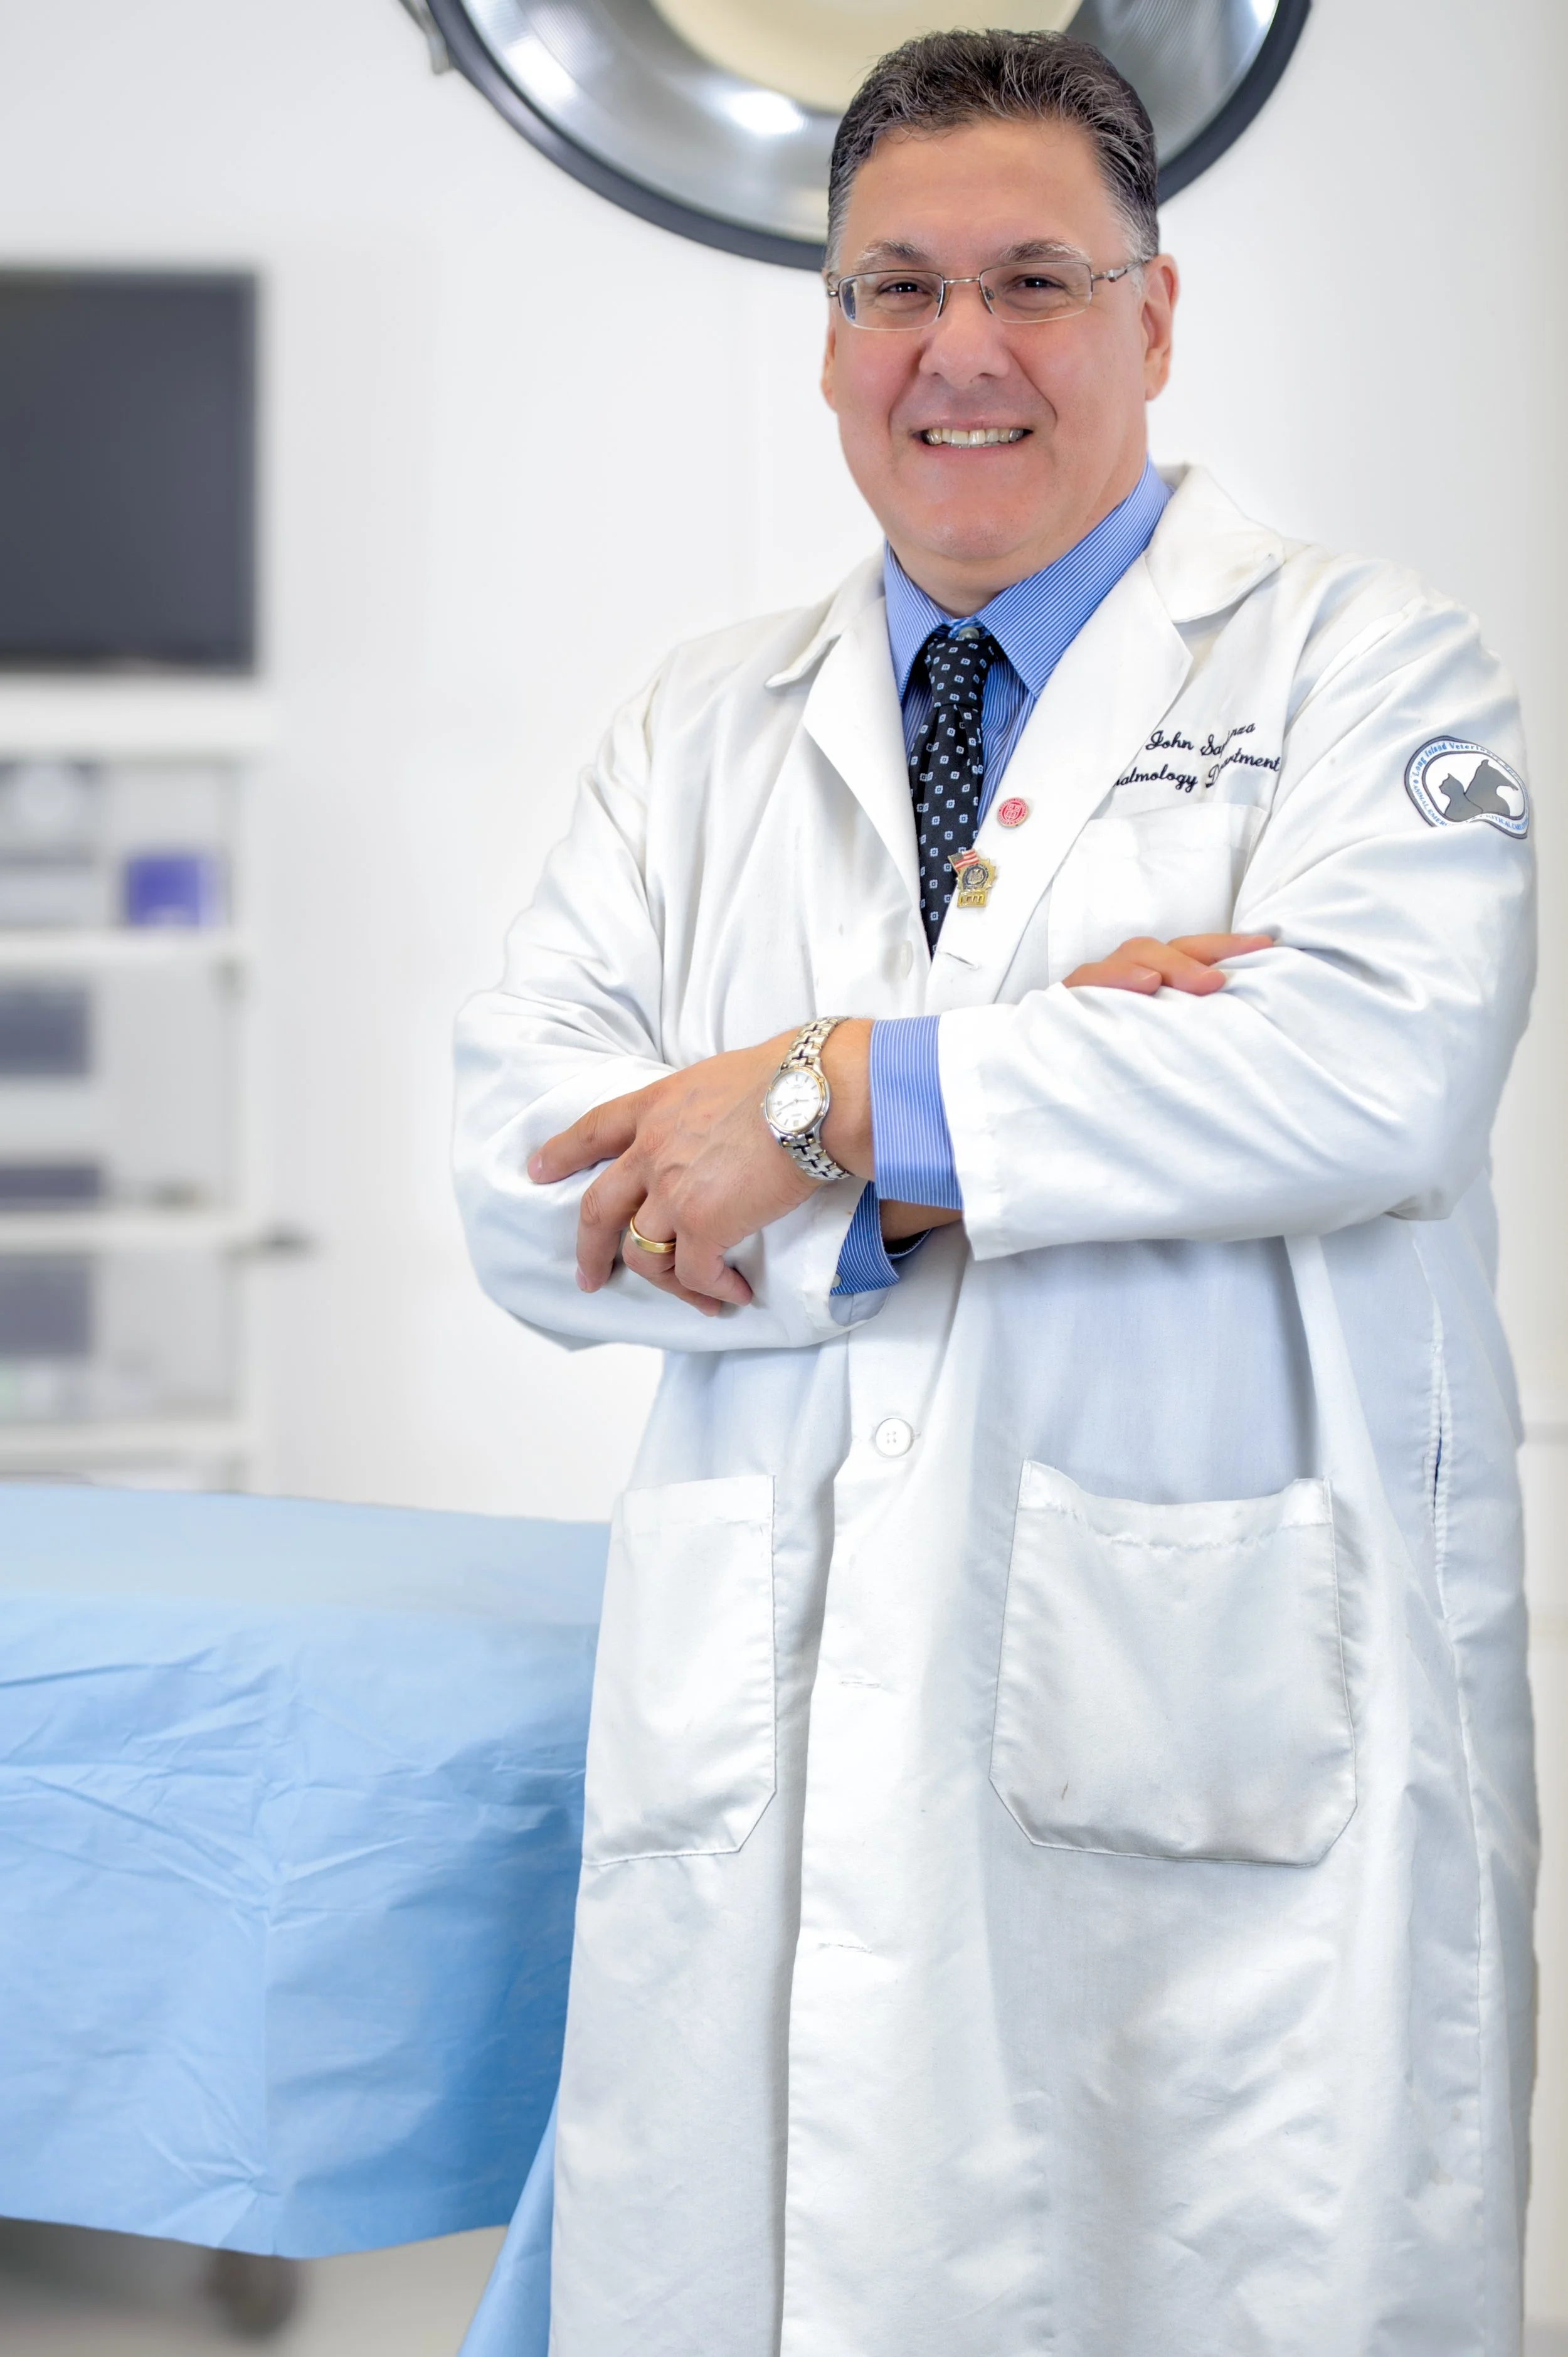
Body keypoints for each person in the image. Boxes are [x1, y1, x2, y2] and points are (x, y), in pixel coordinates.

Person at [454, 29, 1537, 2356]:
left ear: (1154, 316)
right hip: (766, 1760)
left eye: (1033, 280)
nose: (959, 350)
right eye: (895, 288)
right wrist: (1022, 1103)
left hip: (1215, 1773)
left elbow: (1365, 1071)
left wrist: (822, 1097)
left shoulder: (1364, 669)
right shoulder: (694, 728)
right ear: (829, 334)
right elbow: (517, 1175)